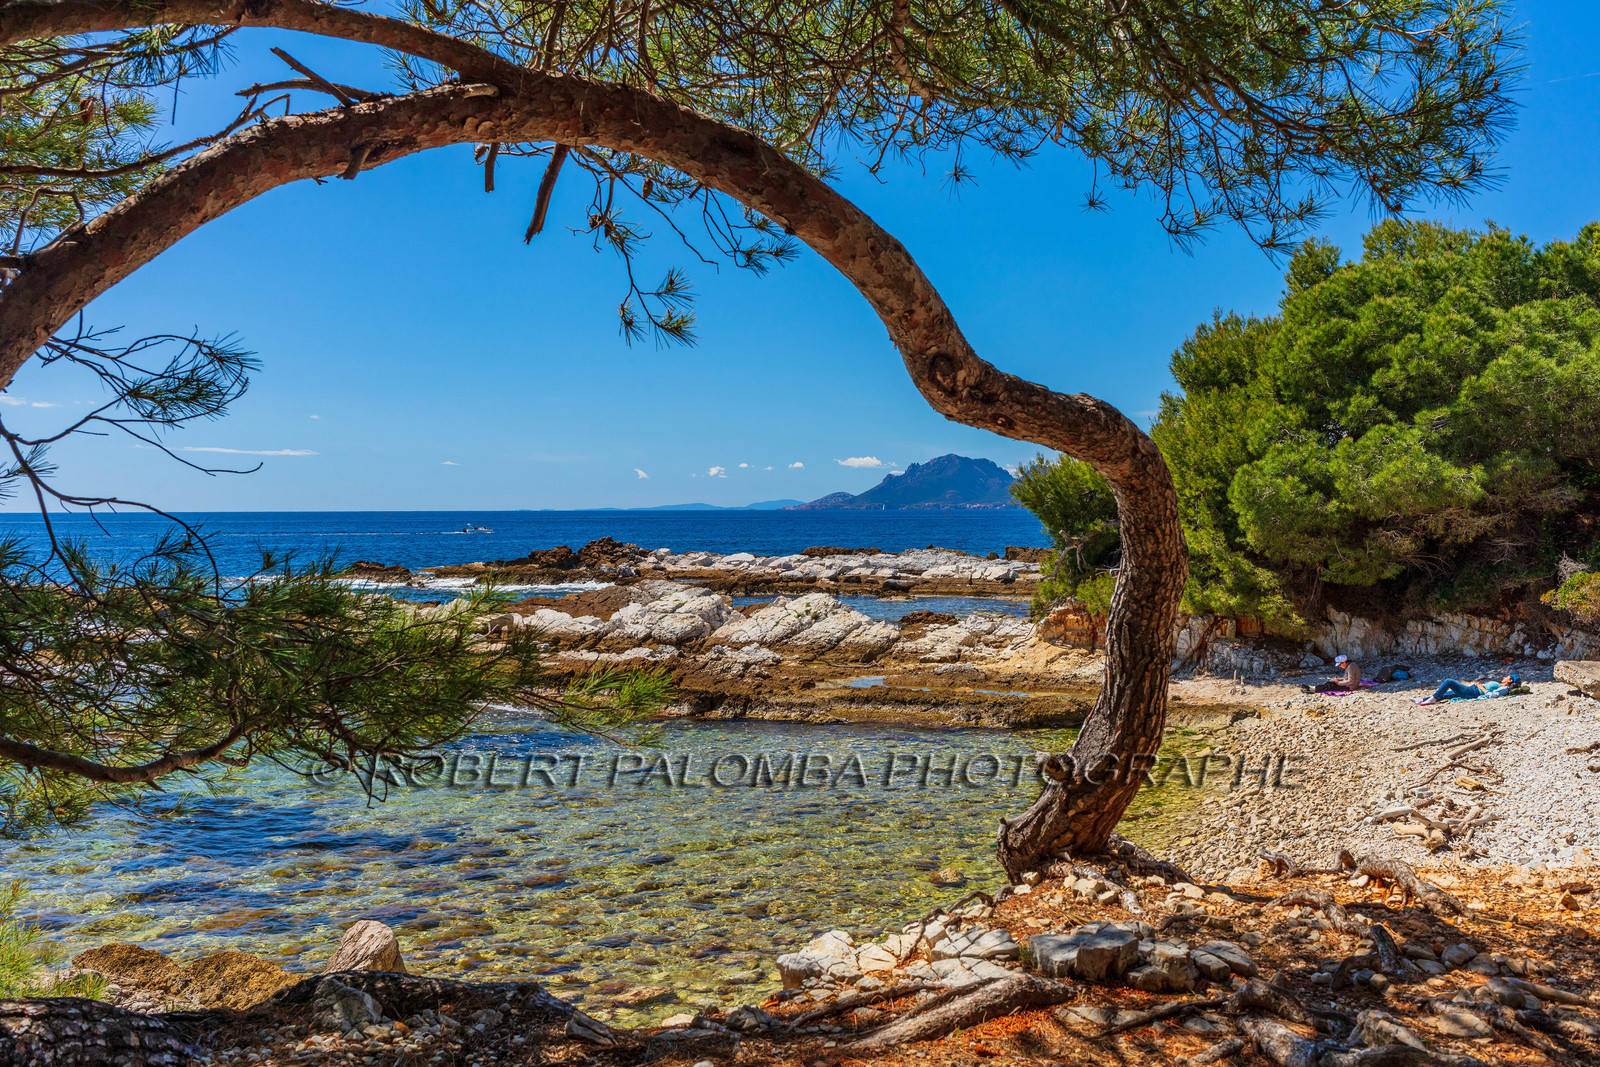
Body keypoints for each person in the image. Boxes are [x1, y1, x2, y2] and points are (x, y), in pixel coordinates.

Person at [1416, 674, 1521, 705]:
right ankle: (1422, 700)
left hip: (1473, 692)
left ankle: (1432, 699)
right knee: (1449, 694)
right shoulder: (1501, 685)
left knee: (1449, 681)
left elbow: (1492, 695)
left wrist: (1482, 687)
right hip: (1473, 690)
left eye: (1506, 677)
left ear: (1510, 680)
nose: (1503, 677)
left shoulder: (1504, 688)